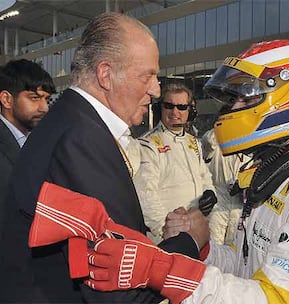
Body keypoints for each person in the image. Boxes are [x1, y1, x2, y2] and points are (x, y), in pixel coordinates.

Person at [86, 39, 289, 303]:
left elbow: (272, 299)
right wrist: (202, 245)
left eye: (244, 99)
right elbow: (242, 265)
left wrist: (162, 270)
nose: (232, 108)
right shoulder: (274, 176)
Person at [0, 12, 208, 303]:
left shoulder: (70, 122)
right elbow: (119, 290)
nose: (156, 90)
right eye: (147, 75)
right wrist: (191, 241)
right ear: (106, 74)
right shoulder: (80, 139)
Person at [133, 83, 216, 243]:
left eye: (181, 107)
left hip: (195, 233)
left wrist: (209, 192)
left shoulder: (194, 142)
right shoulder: (148, 145)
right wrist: (166, 230)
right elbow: (146, 197)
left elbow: (204, 176)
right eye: (169, 106)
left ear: (190, 111)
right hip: (167, 238)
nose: (175, 112)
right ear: (160, 109)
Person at [0, 59, 55, 225]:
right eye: (34, 98)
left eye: (47, 100)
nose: (44, 108)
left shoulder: (43, 141)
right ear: (6, 99)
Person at [201, 127, 251, 245]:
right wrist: (224, 126)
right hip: (219, 202)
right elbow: (208, 140)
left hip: (239, 205)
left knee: (234, 246)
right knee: (214, 244)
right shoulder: (215, 145)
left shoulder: (250, 147)